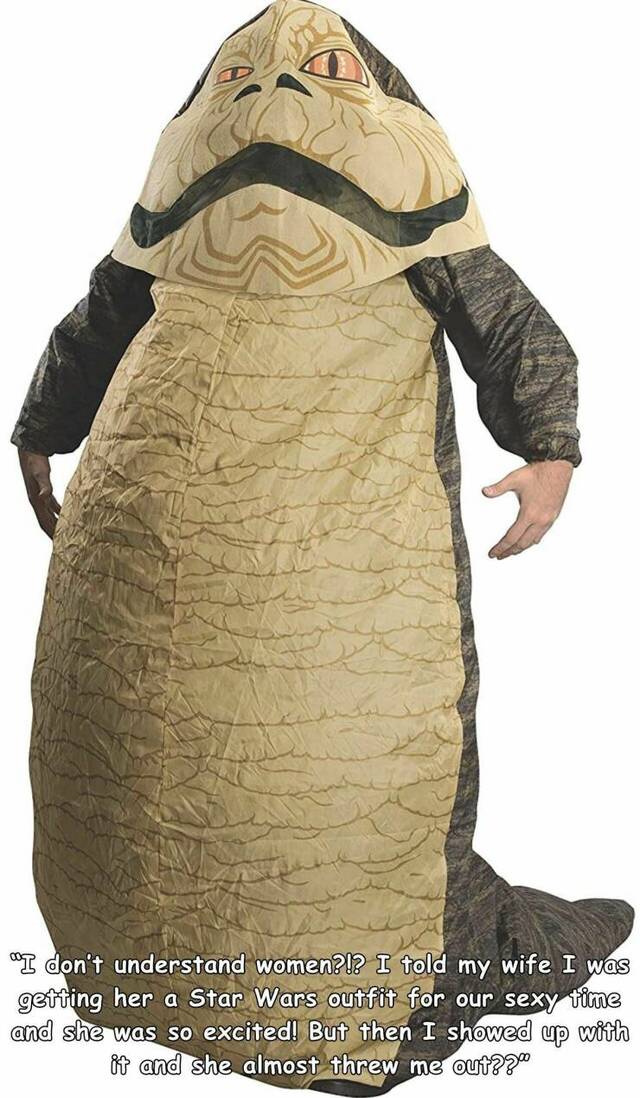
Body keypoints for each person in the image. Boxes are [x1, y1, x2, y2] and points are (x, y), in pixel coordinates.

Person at [12, 2, 633, 1093]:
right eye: (239, 76)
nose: (276, 92)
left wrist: (550, 445)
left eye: (324, 68)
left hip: (327, 543)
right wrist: (43, 431)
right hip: (142, 519)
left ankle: (327, 1009)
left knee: (317, 729)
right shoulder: (163, 244)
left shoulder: (415, 231)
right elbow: (99, 320)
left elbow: (509, 326)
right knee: (138, 737)